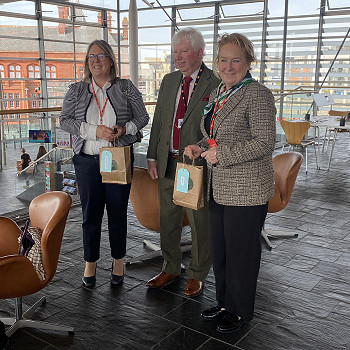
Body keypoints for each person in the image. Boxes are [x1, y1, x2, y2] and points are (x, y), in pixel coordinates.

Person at [184, 33, 276, 332]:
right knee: (221, 252)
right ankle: (224, 303)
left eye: (236, 60)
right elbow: (215, 135)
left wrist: (221, 154)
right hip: (218, 187)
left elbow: (264, 143)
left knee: (242, 256)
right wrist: (200, 146)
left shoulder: (257, 94)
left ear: (249, 62)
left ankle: (240, 311)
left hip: (247, 191)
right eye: (223, 60)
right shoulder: (220, 93)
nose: (228, 66)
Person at [60, 39, 149, 288]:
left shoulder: (125, 87)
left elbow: (142, 116)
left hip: (117, 159)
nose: (95, 61)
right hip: (87, 161)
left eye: (101, 56)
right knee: (90, 215)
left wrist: (125, 129)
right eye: (91, 57)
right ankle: (90, 263)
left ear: (111, 60)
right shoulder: (77, 90)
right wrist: (93, 130)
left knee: (118, 213)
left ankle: (117, 261)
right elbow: (64, 120)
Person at [146, 28, 220, 297]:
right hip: (167, 161)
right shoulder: (168, 81)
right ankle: (171, 267)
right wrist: (152, 156)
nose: (178, 57)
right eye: (175, 52)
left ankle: (198, 273)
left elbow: (215, 128)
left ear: (200, 53)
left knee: (200, 222)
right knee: (168, 218)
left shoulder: (215, 83)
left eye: (184, 51)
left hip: (195, 164)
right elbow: (160, 122)